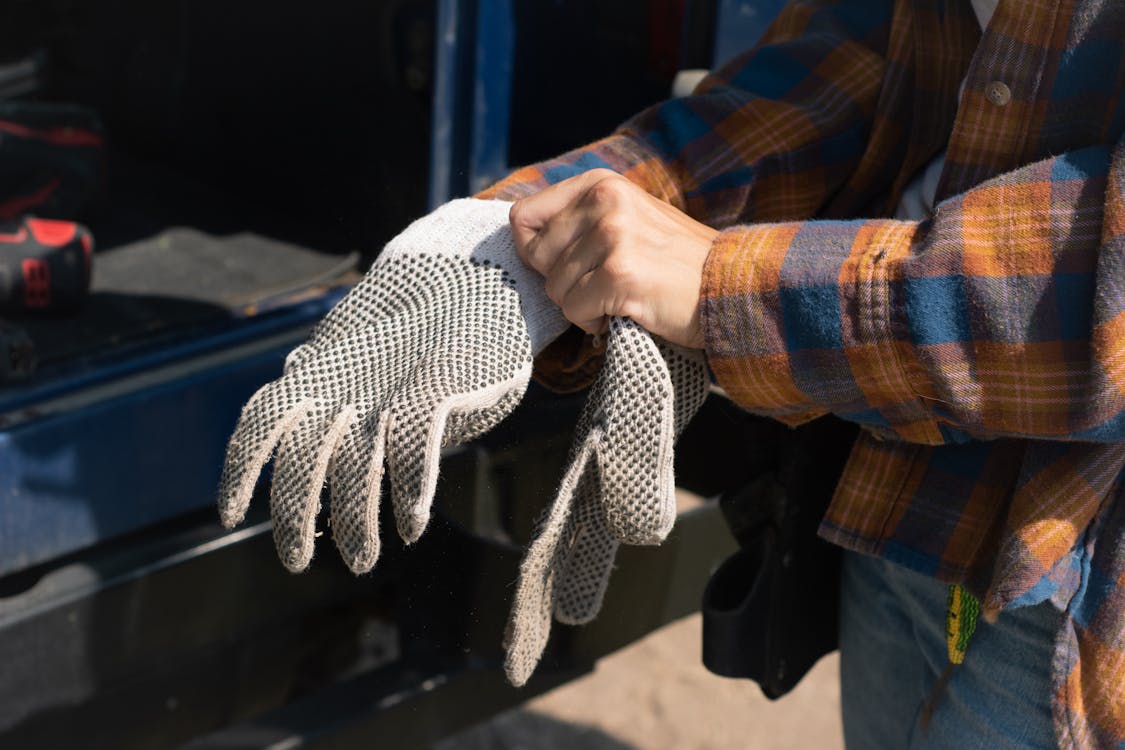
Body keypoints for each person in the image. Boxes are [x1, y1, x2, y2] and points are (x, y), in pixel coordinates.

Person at [475, 0, 1125, 747]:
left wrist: (727, 289)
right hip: (908, 493)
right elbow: (865, 50)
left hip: (1071, 588)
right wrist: (523, 225)